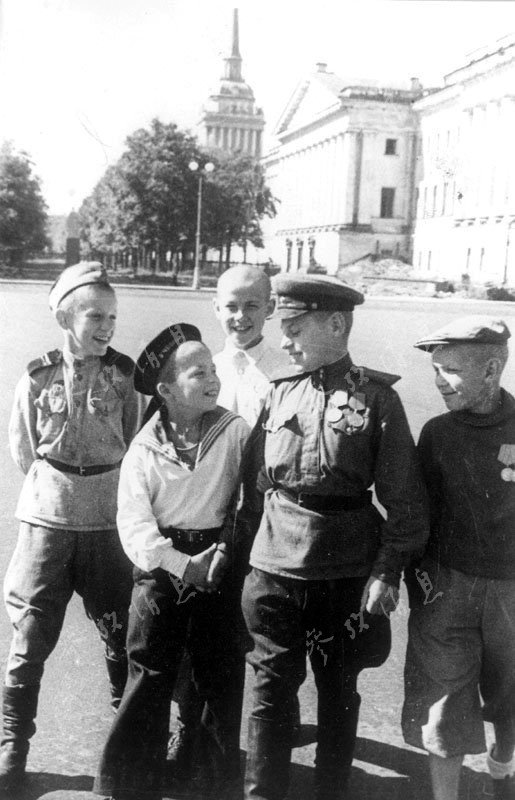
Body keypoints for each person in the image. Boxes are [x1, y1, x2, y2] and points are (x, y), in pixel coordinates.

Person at [237, 272, 429, 800]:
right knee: (270, 694)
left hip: (343, 574)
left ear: (337, 324)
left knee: (339, 694)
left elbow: (406, 503)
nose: (283, 339)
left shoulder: (379, 401)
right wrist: (246, 566)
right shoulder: (278, 395)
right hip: (274, 570)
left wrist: (386, 573)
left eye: (295, 326)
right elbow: (253, 492)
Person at [0, 261, 142, 789]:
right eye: (94, 316)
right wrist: (61, 486)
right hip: (49, 520)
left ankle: (122, 748)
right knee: (30, 638)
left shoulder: (125, 376)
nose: (106, 326)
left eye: (112, 316)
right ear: (66, 317)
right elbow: (24, 448)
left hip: (106, 522)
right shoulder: (36, 376)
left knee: (121, 634)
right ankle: (13, 748)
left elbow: (131, 438)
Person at [93, 323, 250, 800]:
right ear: (164, 390)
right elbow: (135, 525)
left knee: (218, 671)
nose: (212, 378)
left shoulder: (235, 431)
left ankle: (207, 779)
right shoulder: (144, 448)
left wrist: (223, 549)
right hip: (161, 571)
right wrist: (181, 565)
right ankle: (130, 782)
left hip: (219, 564)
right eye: (197, 372)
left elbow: (247, 499)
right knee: (150, 670)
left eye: (213, 369)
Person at [167, 265, 296, 776]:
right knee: (192, 626)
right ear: (215, 309)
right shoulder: (204, 368)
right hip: (204, 520)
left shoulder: (287, 369)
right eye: (231, 306)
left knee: (258, 630)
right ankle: (188, 726)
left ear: (270, 308)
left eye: (252, 306)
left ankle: (250, 738)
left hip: (264, 523)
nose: (240, 316)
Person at [402, 316, 515, 800]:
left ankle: (502, 765)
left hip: (511, 595)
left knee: (508, 705)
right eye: (435, 369)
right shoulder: (437, 433)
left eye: (450, 370)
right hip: (447, 591)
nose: (438, 381)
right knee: (442, 706)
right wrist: (422, 580)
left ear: (491, 371)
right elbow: (417, 513)